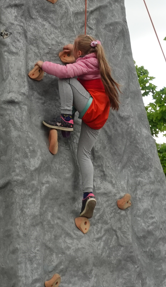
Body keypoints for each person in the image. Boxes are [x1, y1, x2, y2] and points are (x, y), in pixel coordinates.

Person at [34, 34, 121, 219]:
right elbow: (82, 57)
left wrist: (43, 64)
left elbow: (66, 72)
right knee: (84, 154)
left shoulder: (85, 63)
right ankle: (88, 195)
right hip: (98, 117)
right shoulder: (96, 59)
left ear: (80, 53)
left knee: (65, 77)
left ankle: (66, 119)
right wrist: (74, 49)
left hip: (92, 109)